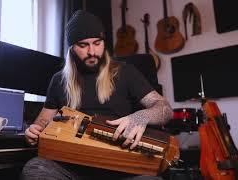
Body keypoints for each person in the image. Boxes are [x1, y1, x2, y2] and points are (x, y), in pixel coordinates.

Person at [22, 10, 173, 180]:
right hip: (73, 167)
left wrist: (141, 117)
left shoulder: (125, 72)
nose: (92, 51)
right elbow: (42, 122)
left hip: (121, 168)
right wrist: (34, 133)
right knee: (35, 168)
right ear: (72, 48)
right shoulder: (59, 81)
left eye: (97, 43)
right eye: (83, 45)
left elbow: (165, 109)